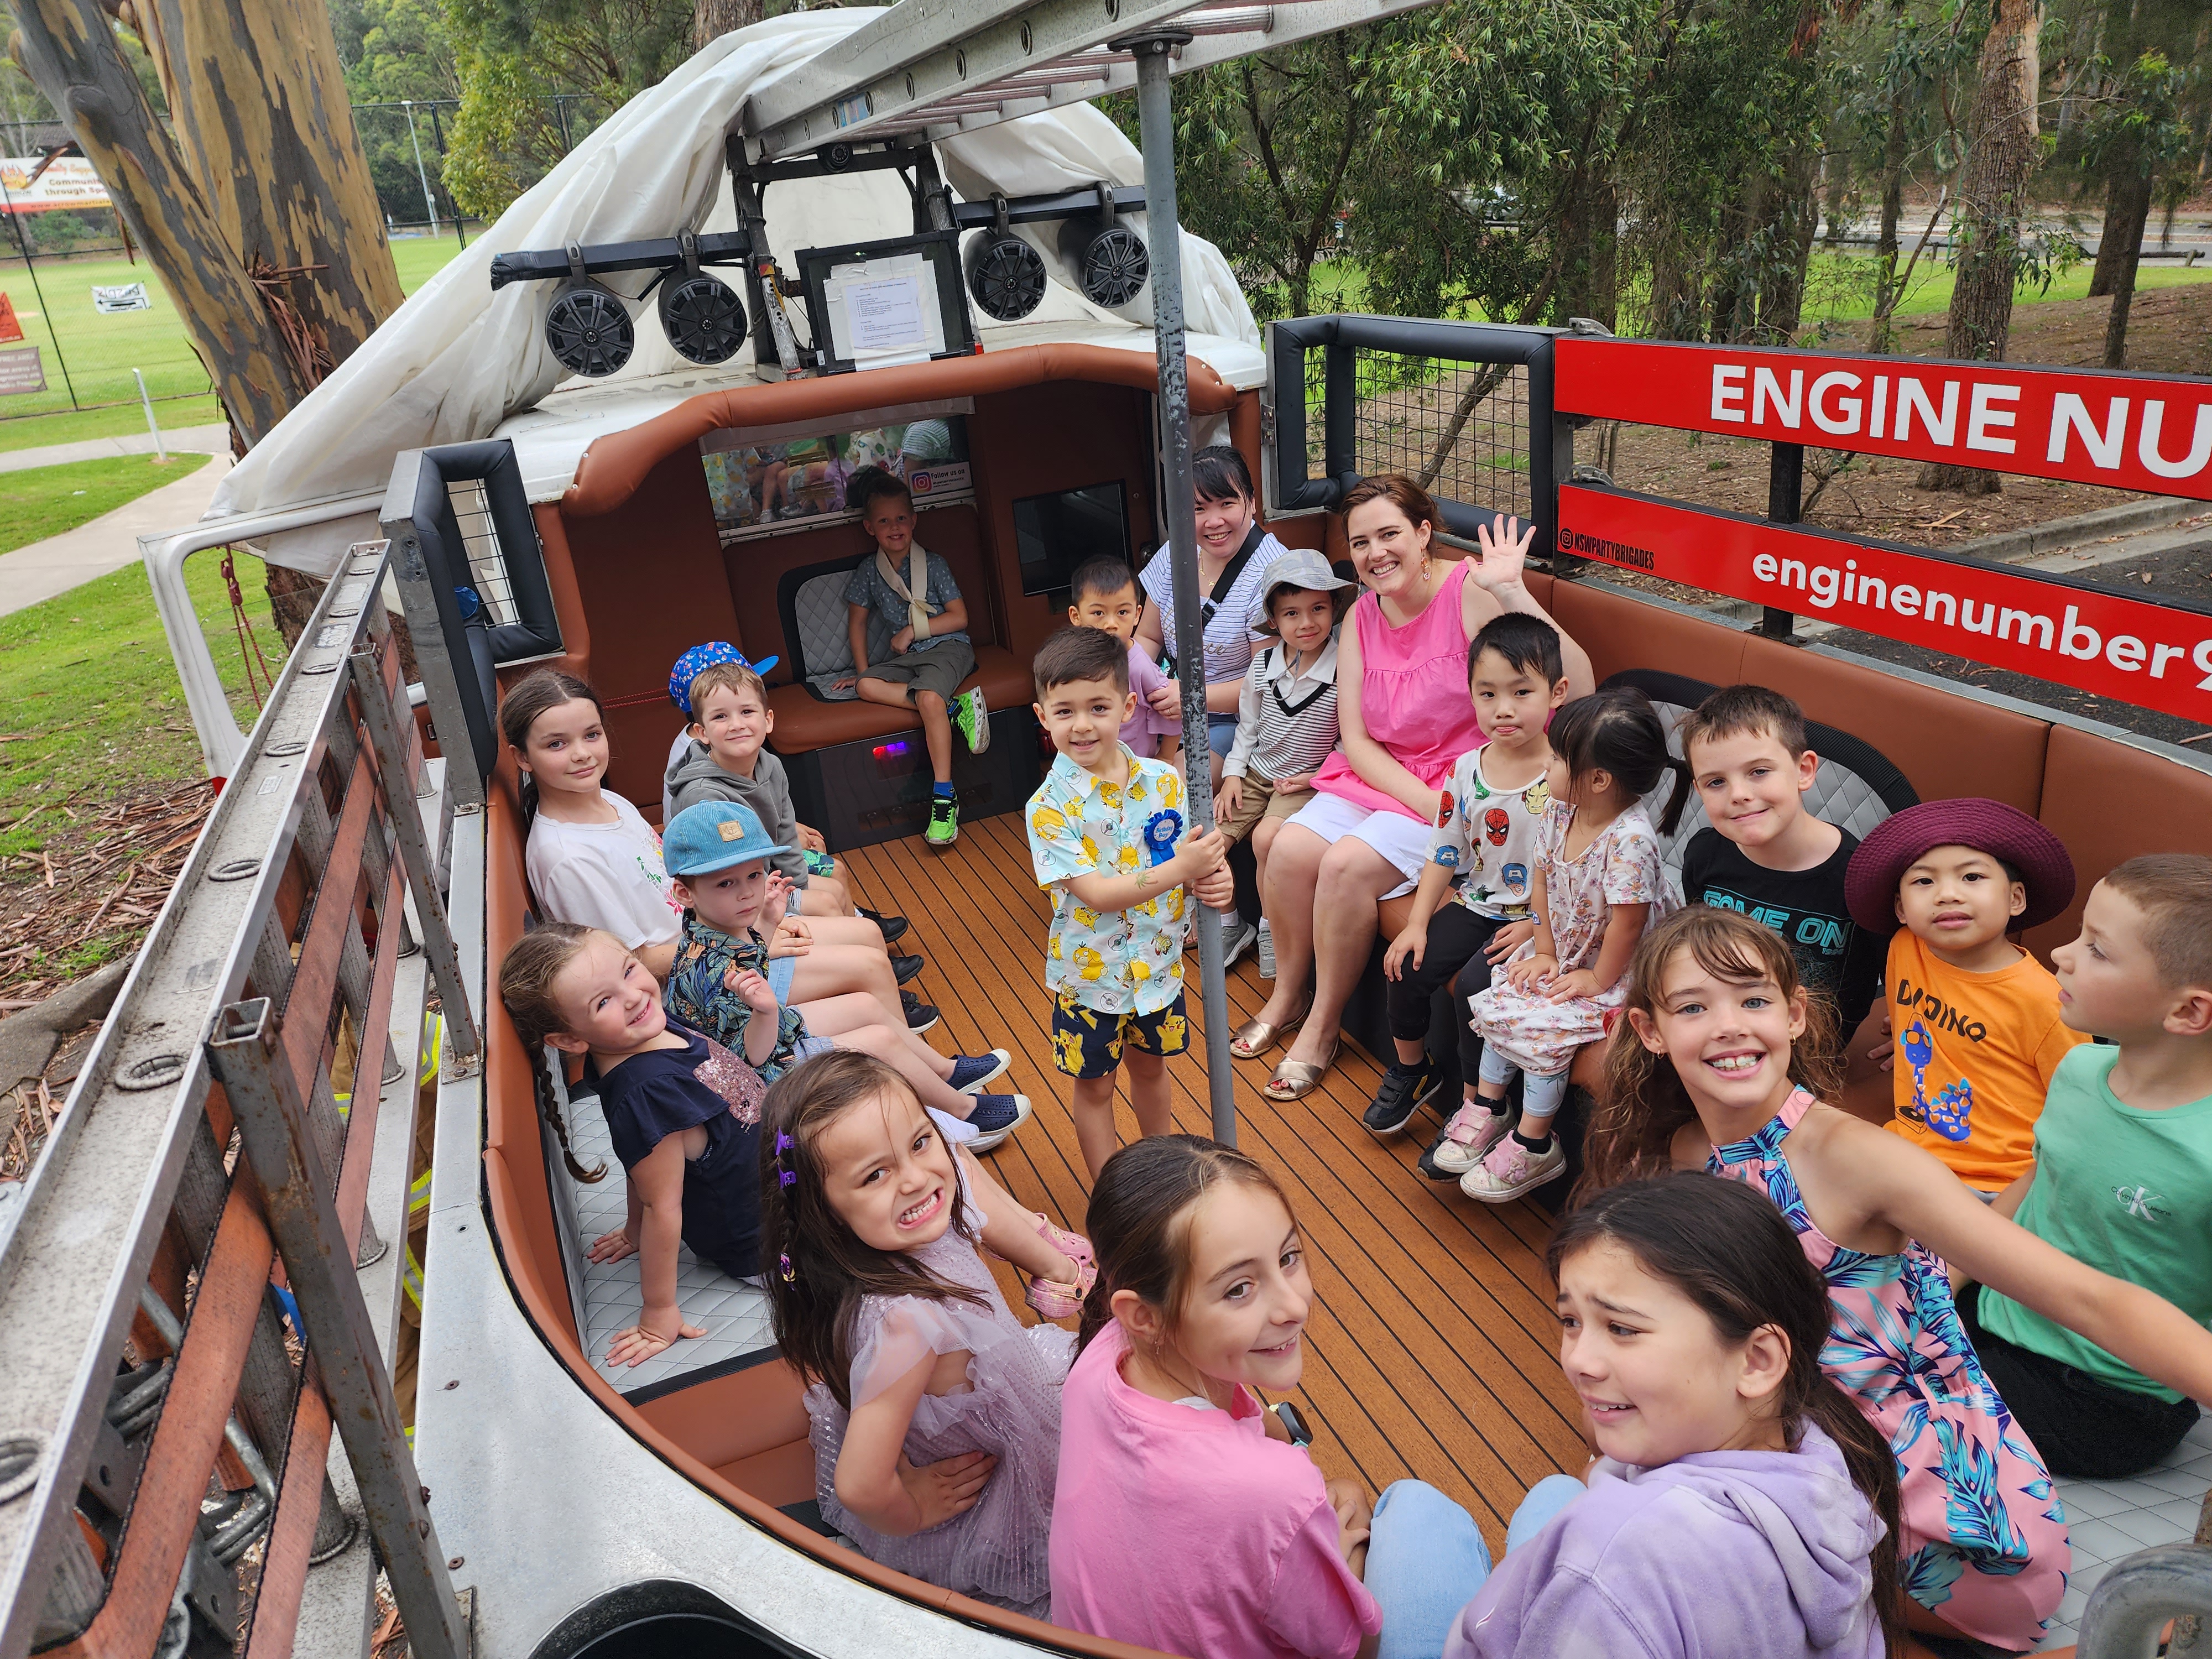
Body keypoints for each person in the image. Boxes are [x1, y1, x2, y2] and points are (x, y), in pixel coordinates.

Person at [1590, 906, 2212, 1651]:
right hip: (1779, 1444)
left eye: (1753, 1000)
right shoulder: (1674, 1155)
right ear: (1651, 1031)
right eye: (1694, 1008)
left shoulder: (1858, 1161)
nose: (1728, 1026)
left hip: (1928, 1509)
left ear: (1794, 1015)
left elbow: (2088, 1297)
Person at [1369, 1172, 1901, 1659]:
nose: (1577, 1361)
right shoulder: (1825, 1452)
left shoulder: (1613, 1560)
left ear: (1758, 1360)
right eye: (1571, 1321)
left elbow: (1614, 1562)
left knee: (1411, 1507)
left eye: (1621, 1328)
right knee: (1556, 1492)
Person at [1236, 475, 1593, 1102]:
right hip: (1388, 777)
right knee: (1288, 848)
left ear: (1423, 533)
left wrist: (1512, 590)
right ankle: (1288, 995)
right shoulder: (1361, 615)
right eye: (1361, 543)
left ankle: (1322, 1028)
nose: (1375, 553)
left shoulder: (1469, 592)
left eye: (1389, 535)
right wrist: (1424, 802)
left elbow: (1581, 686)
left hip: (1464, 787)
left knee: (1345, 865)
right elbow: (1356, 737)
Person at [763, 1053, 1082, 1617]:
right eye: (875, 1175)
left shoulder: (912, 1228)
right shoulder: (907, 1325)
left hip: (1005, 1411)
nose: (915, 1178)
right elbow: (861, 1486)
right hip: (997, 1489)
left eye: (919, 1143)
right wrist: (911, 1509)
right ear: (825, 1210)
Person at [1048, 1135, 1384, 1659]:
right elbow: (1357, 1648)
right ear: (1144, 1314)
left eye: (1288, 1257)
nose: (1294, 1306)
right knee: (1414, 1511)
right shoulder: (1272, 1491)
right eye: (1238, 1289)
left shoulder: (1101, 1359)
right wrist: (1347, 1549)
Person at [1962, 854, 2212, 1478]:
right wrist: (1943, 1278)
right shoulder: (2077, 1071)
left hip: (2104, 1400)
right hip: (1997, 1316)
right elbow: (2037, 1179)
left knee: (1875, 1395)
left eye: (2097, 950)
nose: (2061, 955)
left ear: (2188, 1012)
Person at [659, 801, 1036, 1157]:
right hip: (763, 1073)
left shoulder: (716, 927)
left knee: (866, 1005)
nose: (746, 893)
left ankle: (943, 1074)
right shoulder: (714, 970)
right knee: (881, 1041)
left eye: (754, 875)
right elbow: (754, 1056)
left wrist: (770, 922)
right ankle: (960, 1112)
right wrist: (766, 1010)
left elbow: (752, 962)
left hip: (767, 1032)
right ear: (684, 893)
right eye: (725, 884)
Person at [498, 923, 764, 1368]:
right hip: (769, 1240)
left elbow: (641, 1161)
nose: (633, 996)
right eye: (603, 1002)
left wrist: (633, 1231)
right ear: (569, 1040)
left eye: (628, 971)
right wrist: (659, 1312)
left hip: (789, 1180)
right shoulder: (647, 1092)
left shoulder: (644, 1030)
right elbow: (662, 1204)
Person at [1457, 687, 1684, 1201]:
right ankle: (1489, 1108)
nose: (1548, 765)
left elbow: (1629, 926)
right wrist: (1545, 951)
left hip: (1615, 965)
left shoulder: (1630, 841)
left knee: (1545, 1030)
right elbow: (1540, 880)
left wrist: (1596, 979)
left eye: (1559, 758)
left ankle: (1534, 1143)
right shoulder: (1560, 810)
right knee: (1507, 996)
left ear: (1598, 779)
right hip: (1564, 946)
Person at [1026, 627, 1236, 1178]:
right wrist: (1182, 870)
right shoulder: (1047, 807)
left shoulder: (1165, 782)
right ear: (1043, 716)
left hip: (1158, 968)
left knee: (1150, 1071)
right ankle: (1110, 1196)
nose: (1082, 725)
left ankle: (1157, 1176)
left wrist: (1216, 881)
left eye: (1098, 707)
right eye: (1065, 711)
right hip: (1089, 979)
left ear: (1127, 707)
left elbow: (1199, 861)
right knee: (1095, 1088)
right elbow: (1097, 895)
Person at [1368, 613, 1568, 1150]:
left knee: (1476, 990)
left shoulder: (1562, 775)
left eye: (1521, 692)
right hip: (1476, 903)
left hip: (1534, 921)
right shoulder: (1465, 770)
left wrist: (1537, 928)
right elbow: (1444, 850)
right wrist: (1416, 924)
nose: (1503, 708)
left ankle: (1477, 1107)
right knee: (1406, 967)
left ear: (1556, 693)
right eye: (1488, 694)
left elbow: (1570, 868)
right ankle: (1414, 1070)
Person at [664, 648, 937, 1033]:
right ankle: (862, 975)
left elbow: (784, 829)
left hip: (770, 876)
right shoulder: (705, 797)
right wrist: (788, 907)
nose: (737, 724)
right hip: (748, 896)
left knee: (834, 875)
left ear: (768, 719)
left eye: (747, 712)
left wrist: (798, 883)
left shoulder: (769, 765)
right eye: (721, 717)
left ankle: (872, 976)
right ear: (701, 732)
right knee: (825, 900)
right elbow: (730, 876)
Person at [1843, 800, 2088, 1193]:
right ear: (1901, 909)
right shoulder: (1906, 947)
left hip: (1998, 1178)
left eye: (1972, 877)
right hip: (1909, 1147)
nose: (1947, 895)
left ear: (2015, 899)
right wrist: (1916, 1034)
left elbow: (2081, 1107)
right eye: (1924, 882)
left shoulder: (2045, 1002)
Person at [1677, 685, 1884, 1053]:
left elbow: (1902, 967)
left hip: (1812, 1050)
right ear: (1699, 789)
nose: (1738, 794)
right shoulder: (1704, 854)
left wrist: (1912, 1023)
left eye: (1758, 771)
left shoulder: (1862, 875)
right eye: (1716, 782)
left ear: (1804, 770)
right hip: (1720, 1034)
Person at [1220, 548, 1356, 977]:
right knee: (1210, 842)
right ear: (1274, 621)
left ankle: (1270, 927)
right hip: (1256, 772)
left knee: (1266, 839)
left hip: (1303, 781)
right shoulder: (1262, 665)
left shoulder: (1344, 670)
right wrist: (1232, 774)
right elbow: (1247, 726)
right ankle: (1229, 923)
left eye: (1318, 609)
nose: (1306, 623)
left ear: (1334, 608)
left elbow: (1348, 742)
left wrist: (1315, 777)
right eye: (1292, 613)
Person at [836, 472, 990, 848]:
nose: (895, 527)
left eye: (901, 518)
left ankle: (944, 797)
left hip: (948, 646)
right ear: (869, 528)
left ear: (914, 520)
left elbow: (959, 618)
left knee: (927, 698)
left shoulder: (933, 564)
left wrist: (912, 631)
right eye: (884, 521)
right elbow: (857, 623)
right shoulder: (870, 572)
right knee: (866, 686)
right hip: (911, 660)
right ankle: (956, 709)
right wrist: (861, 673)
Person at [1131, 445, 1293, 791]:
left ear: (1252, 502)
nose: (1213, 521)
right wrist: (1127, 686)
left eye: (1227, 504)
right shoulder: (1176, 552)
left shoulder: (1272, 574)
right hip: (1167, 704)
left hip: (1236, 722)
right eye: (1198, 509)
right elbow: (1148, 637)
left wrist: (1190, 696)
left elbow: (1263, 684)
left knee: (1165, 788)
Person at [504, 669, 683, 982]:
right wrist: (737, 946)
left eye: (592, 735)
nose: (582, 754)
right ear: (522, 758)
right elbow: (632, 963)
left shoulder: (611, 800)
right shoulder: (567, 860)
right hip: (685, 982)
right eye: (556, 744)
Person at [1066, 554, 1180, 764]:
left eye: (1122, 612)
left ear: (1137, 615)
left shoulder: (1138, 666)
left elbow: (1171, 712)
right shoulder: (1072, 661)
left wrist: (1165, 756)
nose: (1111, 624)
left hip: (1133, 769)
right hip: (1085, 767)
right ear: (1076, 616)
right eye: (1098, 613)